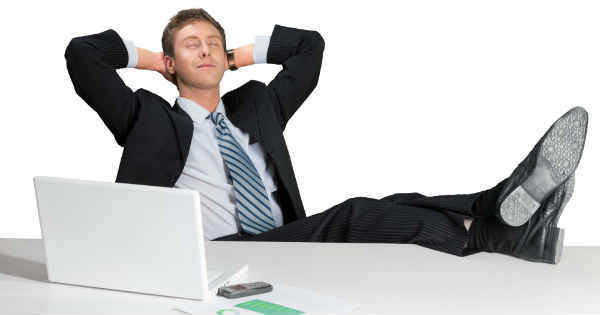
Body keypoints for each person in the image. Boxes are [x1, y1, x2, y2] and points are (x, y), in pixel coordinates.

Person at [64, 8, 588, 264]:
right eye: (190, 45)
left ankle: (500, 210)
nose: (204, 51)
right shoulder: (147, 117)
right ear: (172, 60)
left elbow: (309, 48)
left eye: (213, 44)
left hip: (282, 240)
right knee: (357, 213)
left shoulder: (255, 106)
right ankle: (489, 233)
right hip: (215, 254)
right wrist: (151, 60)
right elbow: (81, 56)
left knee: (395, 202)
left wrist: (240, 55)